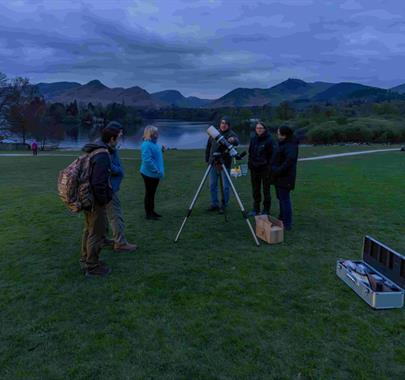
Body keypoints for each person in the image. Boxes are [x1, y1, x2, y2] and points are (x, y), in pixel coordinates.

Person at [80, 125, 119, 277]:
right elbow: (98, 182)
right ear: (112, 139)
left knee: (89, 230)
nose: (118, 141)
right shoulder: (102, 155)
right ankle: (93, 267)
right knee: (96, 233)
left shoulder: (94, 150)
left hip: (87, 197)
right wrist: (103, 200)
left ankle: (85, 260)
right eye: (118, 137)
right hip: (95, 200)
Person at [105, 121, 138, 252]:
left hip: (107, 187)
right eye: (119, 135)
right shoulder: (106, 148)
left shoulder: (108, 146)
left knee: (104, 215)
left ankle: (103, 239)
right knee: (115, 215)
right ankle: (120, 243)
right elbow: (105, 164)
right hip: (109, 188)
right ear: (112, 136)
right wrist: (118, 170)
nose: (120, 137)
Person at [205, 116, 239, 214]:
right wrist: (207, 159)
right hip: (212, 162)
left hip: (225, 163)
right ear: (219, 124)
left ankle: (224, 205)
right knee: (212, 185)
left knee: (225, 186)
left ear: (228, 125)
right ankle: (214, 204)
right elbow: (208, 147)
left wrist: (233, 140)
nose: (223, 125)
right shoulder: (214, 133)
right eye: (222, 123)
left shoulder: (231, 134)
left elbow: (236, 141)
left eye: (225, 123)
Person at [271, 125, 299, 231]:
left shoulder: (291, 146)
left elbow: (289, 162)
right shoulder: (283, 144)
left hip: (285, 177)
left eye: (279, 134)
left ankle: (287, 223)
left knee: (285, 200)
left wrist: (277, 170)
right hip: (279, 177)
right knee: (281, 199)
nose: (277, 135)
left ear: (284, 135)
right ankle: (281, 218)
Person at [248, 121, 274, 216]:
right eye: (257, 128)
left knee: (266, 190)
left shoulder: (270, 140)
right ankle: (256, 209)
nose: (258, 129)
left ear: (264, 129)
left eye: (260, 128)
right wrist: (250, 164)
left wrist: (269, 166)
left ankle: (266, 209)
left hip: (265, 169)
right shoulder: (253, 139)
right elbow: (250, 152)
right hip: (254, 168)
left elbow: (273, 155)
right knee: (255, 189)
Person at [140, 125, 164, 220]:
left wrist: (162, 150)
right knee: (149, 193)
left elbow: (154, 155)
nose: (157, 134)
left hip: (154, 174)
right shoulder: (146, 144)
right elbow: (147, 160)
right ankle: (148, 214)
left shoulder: (153, 143)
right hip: (149, 174)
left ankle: (152, 211)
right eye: (155, 132)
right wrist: (155, 170)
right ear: (151, 134)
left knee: (152, 193)